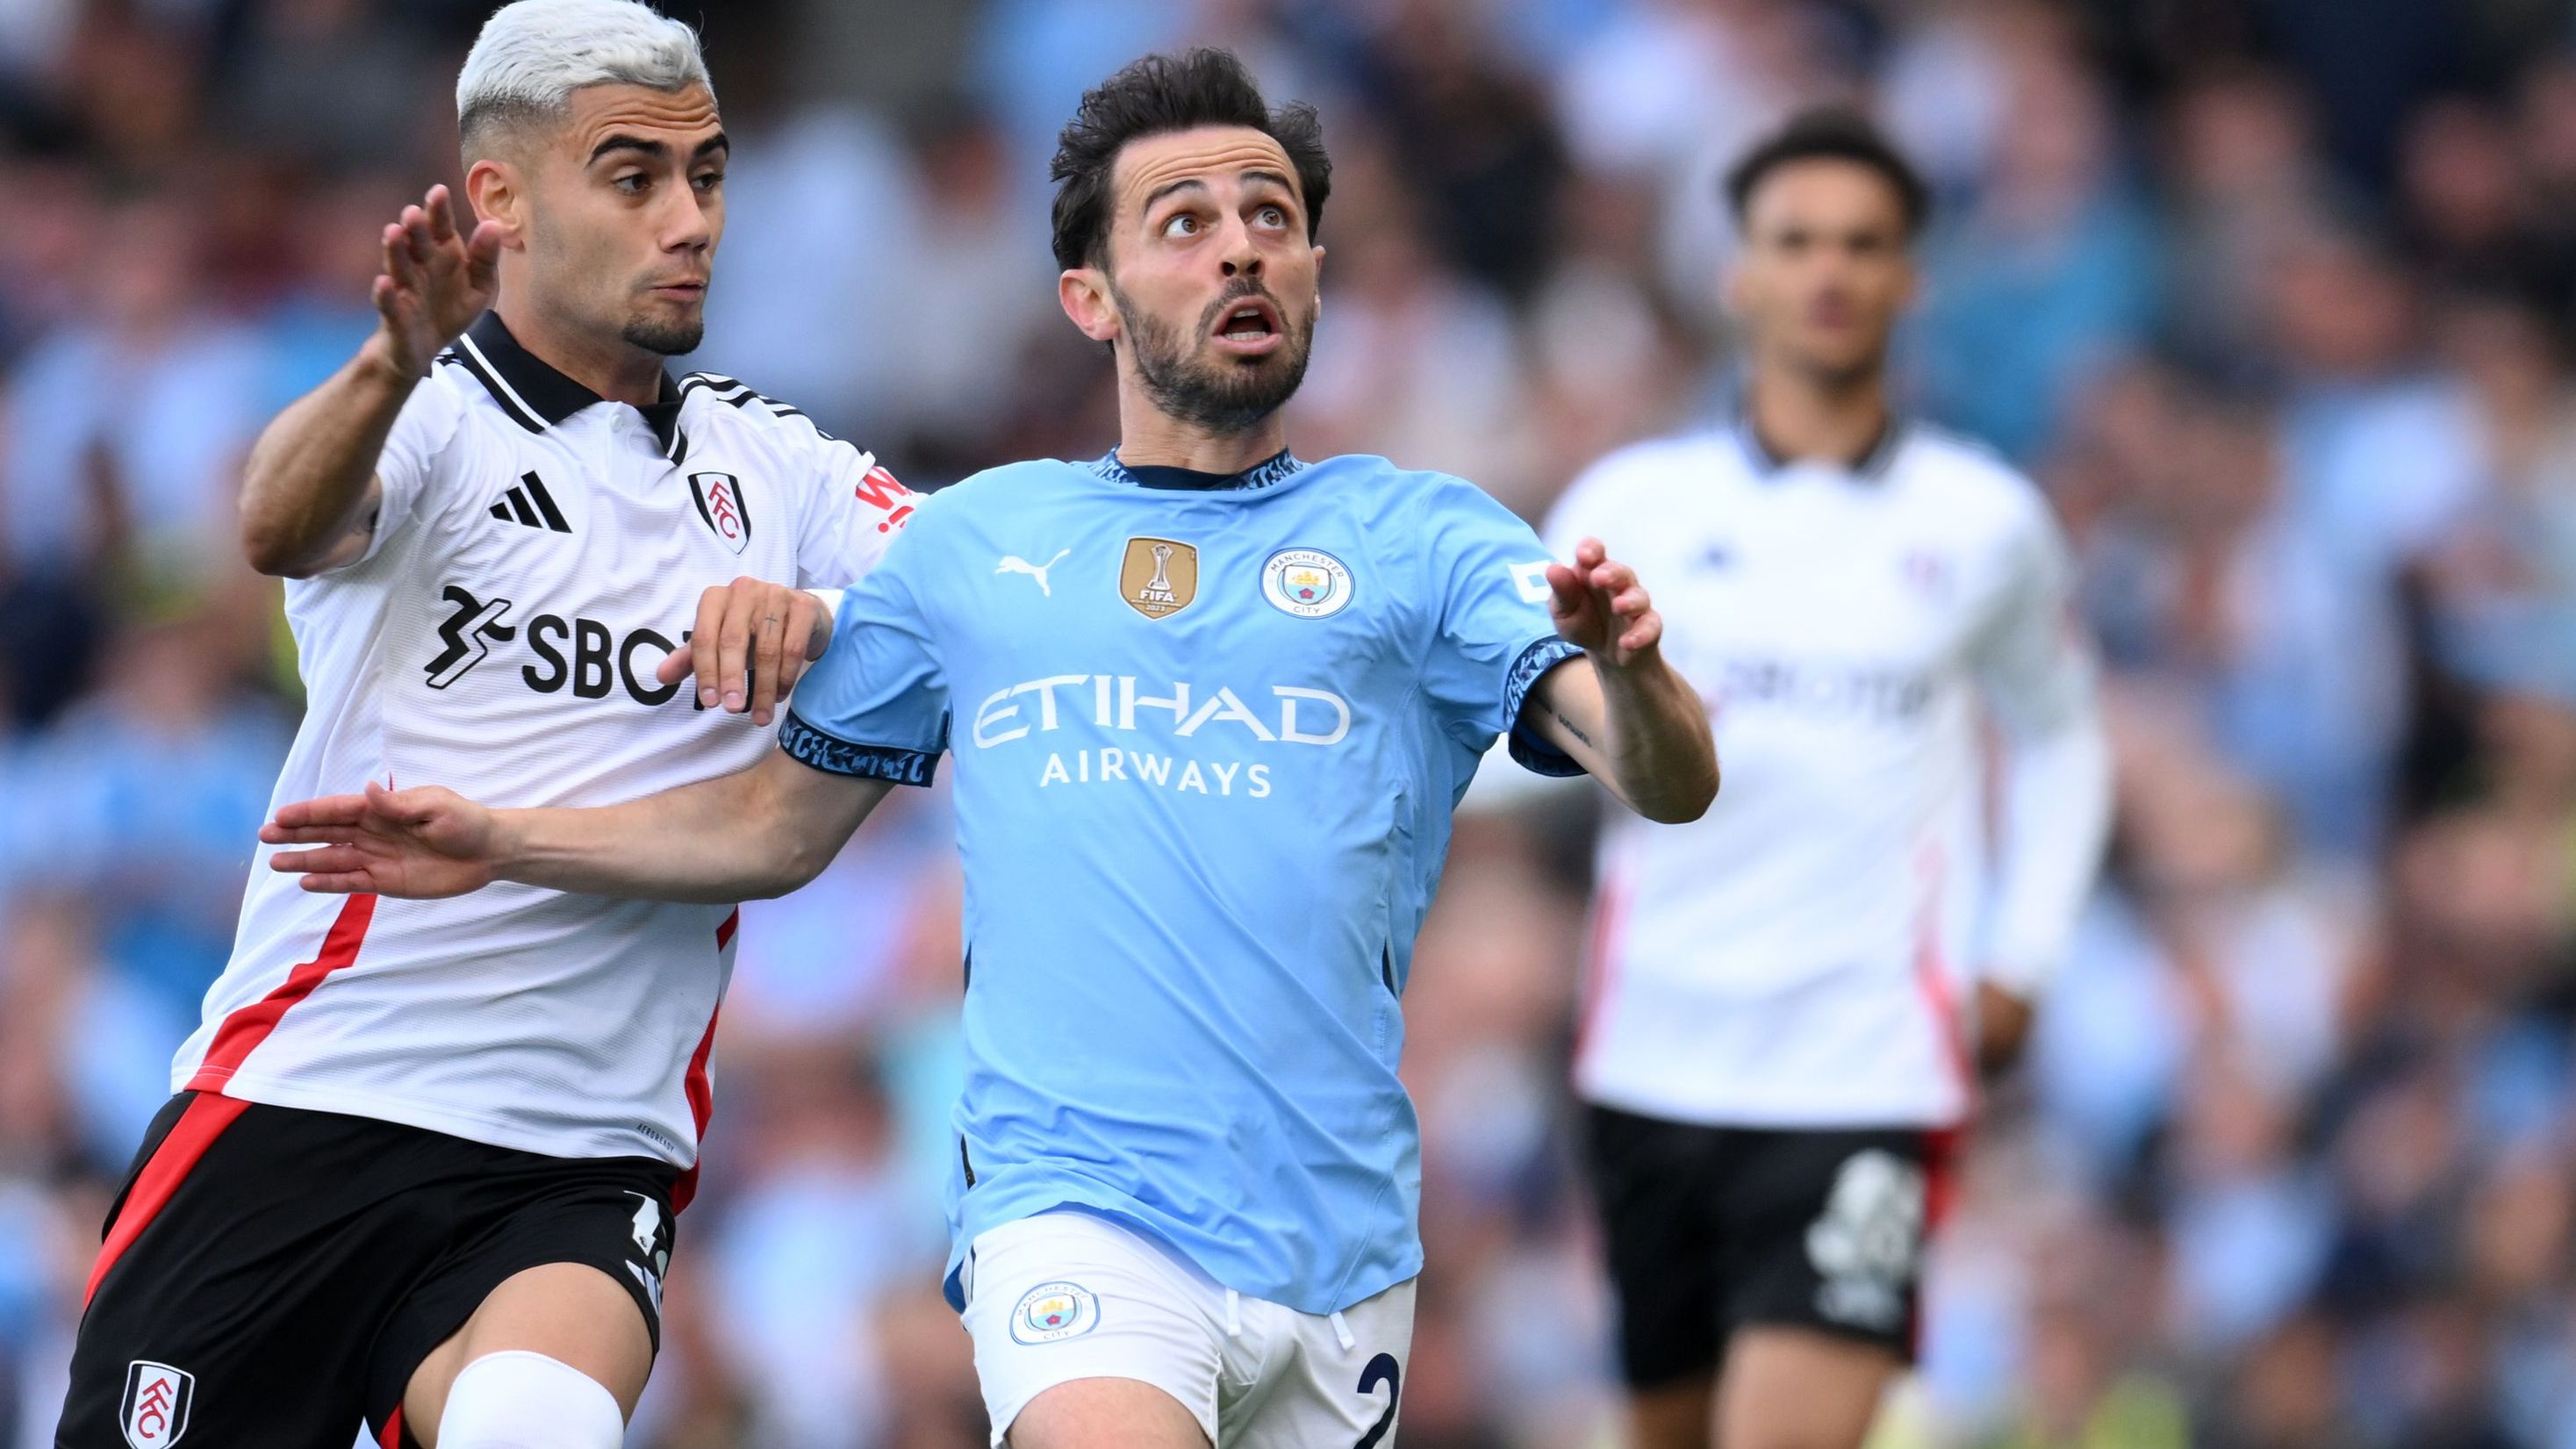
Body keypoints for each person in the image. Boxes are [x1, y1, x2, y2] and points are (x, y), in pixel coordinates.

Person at [259, 48, 1719, 1449]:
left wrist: (1639, 676)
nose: (1241, 253)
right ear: (1089, 297)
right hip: (1073, 1215)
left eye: (1274, 220)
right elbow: (773, 829)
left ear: (1318, 272)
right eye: (1188, 223)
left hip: (1341, 1242)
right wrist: (505, 838)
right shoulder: (979, 544)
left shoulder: (1429, 539)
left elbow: (1667, 779)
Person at [55, 4, 915, 1446]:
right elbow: (277, 521)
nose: (690, 218)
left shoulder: (780, 468)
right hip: (311, 1099)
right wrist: (388, 364)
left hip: (579, 1159)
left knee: (538, 1421)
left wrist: (824, 620)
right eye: (634, 177)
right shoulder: (432, 421)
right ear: (501, 200)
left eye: (707, 175)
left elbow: (995, 597)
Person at [1546, 109, 2113, 1449]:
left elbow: (2064, 733)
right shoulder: (1636, 503)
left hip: (1864, 1068)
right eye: (1796, 241)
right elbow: (1526, 732)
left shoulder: (1982, 522)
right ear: (1737, 271)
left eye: (1865, 244)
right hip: (1654, 1055)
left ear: (1911, 278)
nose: (1830, 272)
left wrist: (2023, 956)